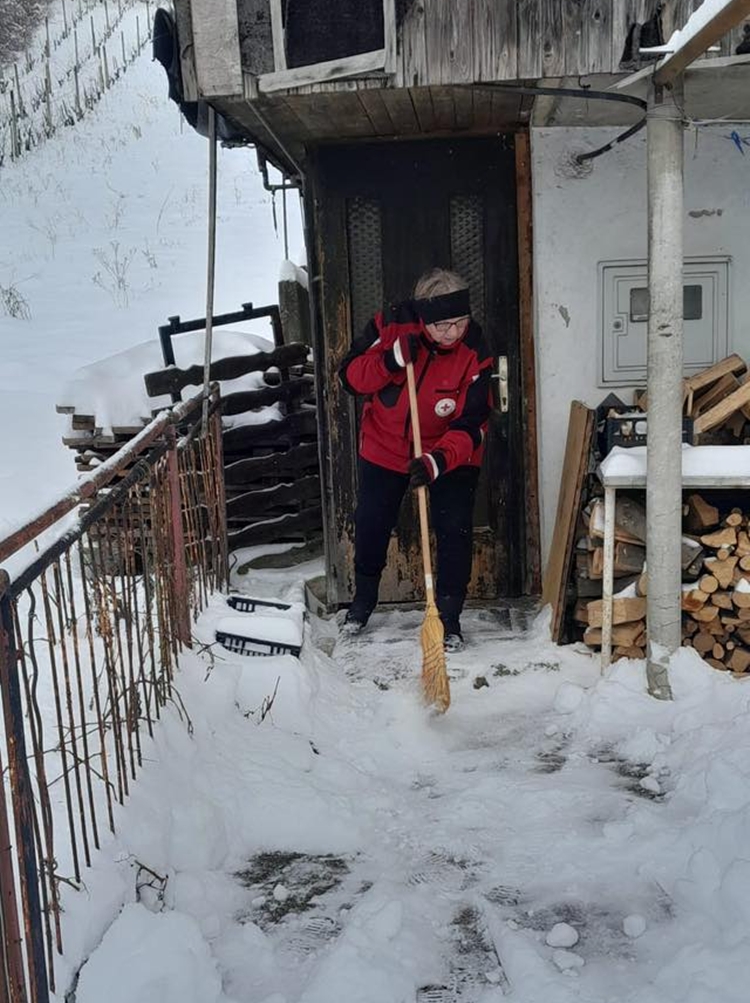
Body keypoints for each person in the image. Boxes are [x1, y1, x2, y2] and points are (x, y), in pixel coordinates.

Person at [338, 268, 493, 651]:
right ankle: (362, 602)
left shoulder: (475, 347)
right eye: (443, 326)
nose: (453, 333)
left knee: (454, 527)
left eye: (460, 322)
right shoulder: (390, 325)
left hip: (448, 451)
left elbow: (474, 421)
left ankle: (449, 618)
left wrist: (438, 460)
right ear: (424, 318)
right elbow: (349, 377)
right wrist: (390, 360)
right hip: (385, 445)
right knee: (371, 522)